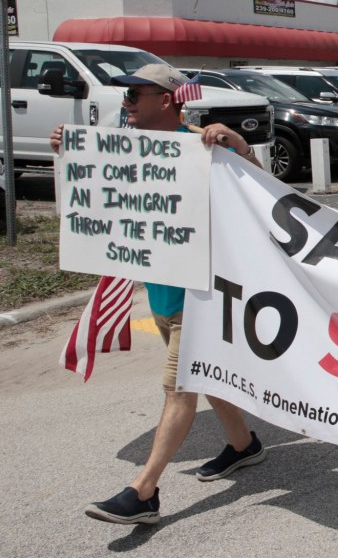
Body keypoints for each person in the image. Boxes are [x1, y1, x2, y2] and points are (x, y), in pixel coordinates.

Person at [50, 64, 267, 525]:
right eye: (125, 96)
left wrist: (239, 143)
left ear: (166, 100)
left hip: (202, 297)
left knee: (178, 388)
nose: (126, 103)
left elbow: (262, 189)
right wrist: (68, 155)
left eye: (134, 95)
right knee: (207, 377)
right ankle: (244, 445)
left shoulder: (203, 146)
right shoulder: (126, 150)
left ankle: (143, 491)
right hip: (162, 294)